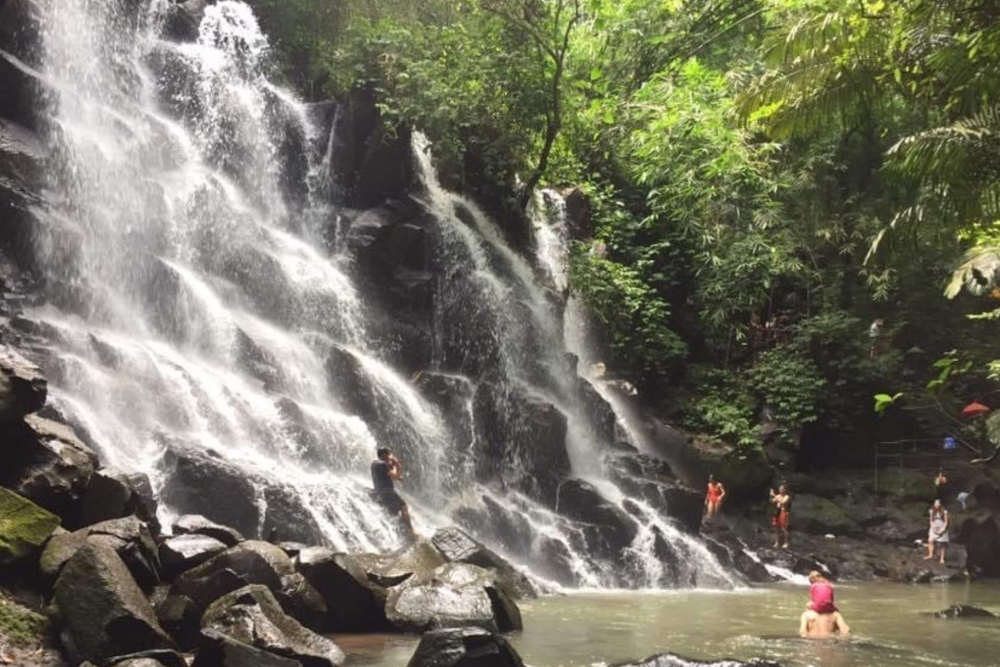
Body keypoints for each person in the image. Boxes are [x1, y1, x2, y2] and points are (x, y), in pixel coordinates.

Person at [371, 447, 415, 539]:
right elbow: (395, 475)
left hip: (379, 492)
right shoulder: (382, 464)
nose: (389, 456)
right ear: (383, 454)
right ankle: (410, 531)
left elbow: (392, 475)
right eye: (388, 454)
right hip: (387, 491)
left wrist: (394, 467)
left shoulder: (374, 463)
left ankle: (400, 535)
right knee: (403, 506)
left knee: (394, 512)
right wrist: (396, 464)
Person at [924, 499, 949, 564]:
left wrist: (943, 529)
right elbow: (931, 521)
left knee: (942, 544)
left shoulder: (944, 512)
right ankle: (930, 554)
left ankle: (942, 558)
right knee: (930, 541)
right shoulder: (932, 511)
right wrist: (933, 528)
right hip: (934, 528)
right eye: (935, 503)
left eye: (938, 503)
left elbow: (946, 521)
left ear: (940, 504)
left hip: (942, 528)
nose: (937, 505)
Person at [770, 483, 791, 548]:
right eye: (780, 489)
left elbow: (783, 502)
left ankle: (786, 543)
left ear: (785, 490)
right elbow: (772, 501)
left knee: (784, 528)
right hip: (777, 512)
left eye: (782, 489)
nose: (781, 490)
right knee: (776, 528)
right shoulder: (778, 495)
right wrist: (771, 496)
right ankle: (777, 542)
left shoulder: (787, 496)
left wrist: (774, 495)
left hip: (784, 512)